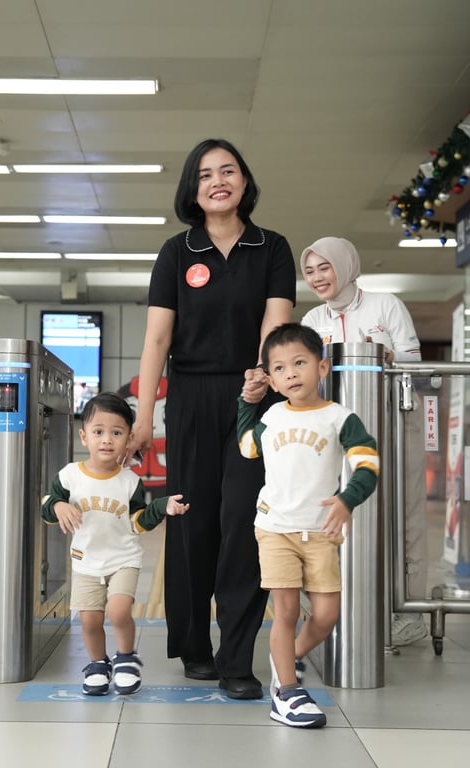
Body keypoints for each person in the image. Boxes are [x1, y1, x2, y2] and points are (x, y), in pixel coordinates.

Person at [129, 138, 295, 700]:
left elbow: (276, 325)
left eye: (228, 171)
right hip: (192, 397)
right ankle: (194, 645)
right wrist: (144, 417)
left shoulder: (271, 247)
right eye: (204, 175)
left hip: (255, 397)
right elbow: (157, 340)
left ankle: (237, 659)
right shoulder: (177, 252)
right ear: (192, 190)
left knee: (246, 522)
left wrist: (262, 374)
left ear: (245, 181)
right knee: (192, 519)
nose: (217, 181)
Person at [237, 323, 379, 728]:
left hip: (320, 532)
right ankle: (286, 692)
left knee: (326, 615)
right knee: (285, 612)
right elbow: (247, 448)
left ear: (322, 367)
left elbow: (368, 463)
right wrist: (246, 403)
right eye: (280, 368)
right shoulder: (272, 416)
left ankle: (289, 655)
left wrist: (348, 499)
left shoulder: (340, 418)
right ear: (271, 380)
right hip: (275, 528)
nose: (291, 373)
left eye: (300, 362)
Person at [298, 235, 428, 647]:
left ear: (346, 266)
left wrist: (386, 355)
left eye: (325, 267)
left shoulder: (385, 305)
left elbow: (415, 362)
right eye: (310, 271)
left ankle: (408, 611)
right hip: (334, 432)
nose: (317, 278)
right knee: (327, 512)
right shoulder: (312, 319)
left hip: (391, 423)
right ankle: (328, 611)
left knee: (402, 514)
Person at [42, 392, 189, 696]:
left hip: (124, 559)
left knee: (119, 612)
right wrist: (57, 505)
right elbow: (46, 506)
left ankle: (125, 658)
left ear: (129, 438)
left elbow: (137, 522)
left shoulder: (130, 481)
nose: (107, 440)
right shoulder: (69, 476)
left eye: (117, 433)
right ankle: (98, 663)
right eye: (98, 432)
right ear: (84, 436)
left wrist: (160, 507)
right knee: (90, 620)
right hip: (85, 561)